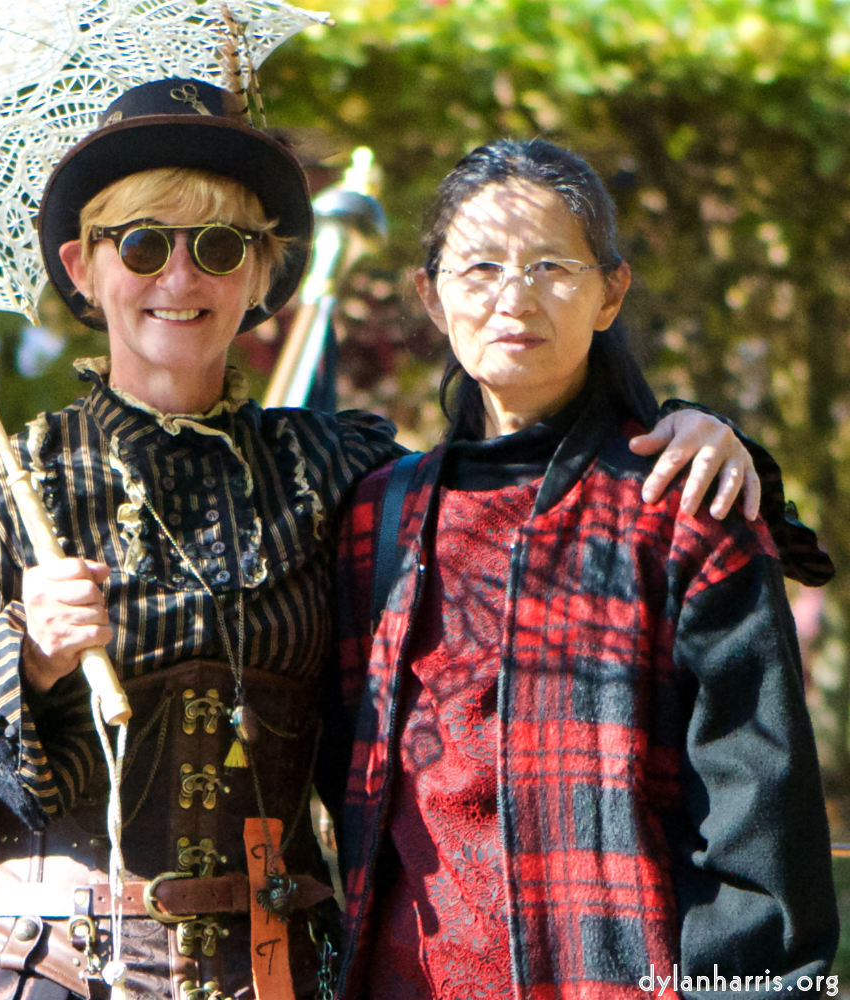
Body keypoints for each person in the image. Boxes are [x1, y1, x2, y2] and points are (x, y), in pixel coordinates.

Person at [0, 77, 781, 1000]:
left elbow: (511, 492)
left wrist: (688, 431)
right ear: (80, 265)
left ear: (262, 275)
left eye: (218, 248)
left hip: (274, 970)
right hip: (47, 970)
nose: (179, 280)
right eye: (140, 244)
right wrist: (24, 658)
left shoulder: (336, 471)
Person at [332, 138, 838, 1000]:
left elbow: (759, 819)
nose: (513, 298)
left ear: (611, 292)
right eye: (480, 266)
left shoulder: (686, 512)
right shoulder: (378, 517)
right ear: (431, 294)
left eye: (552, 266)